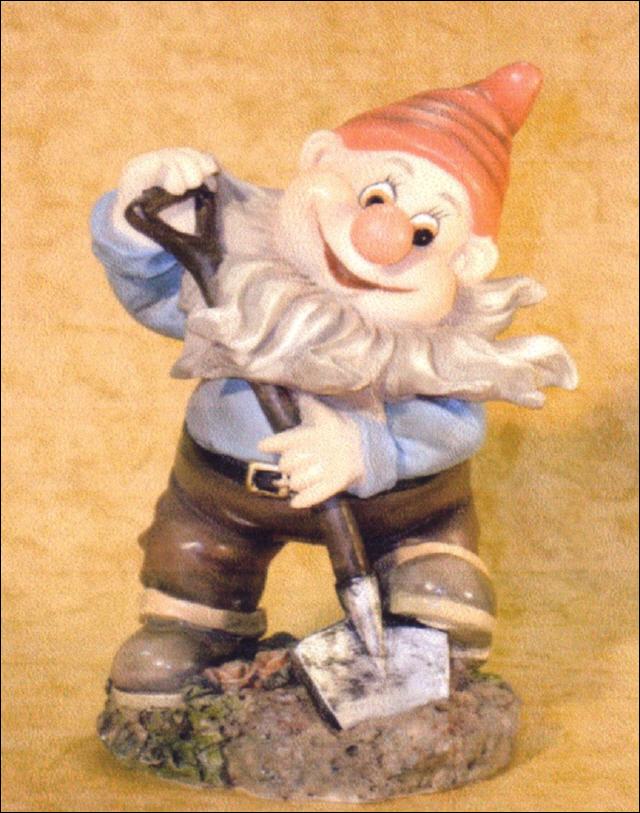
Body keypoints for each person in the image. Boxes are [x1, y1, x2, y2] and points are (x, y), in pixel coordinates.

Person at [91, 63, 576, 706]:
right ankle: (192, 633)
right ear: (319, 161)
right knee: (195, 561)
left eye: (425, 233)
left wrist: (363, 449)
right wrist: (138, 220)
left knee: (442, 589)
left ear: (468, 262)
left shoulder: (436, 351)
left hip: (401, 509)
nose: (383, 239)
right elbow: (159, 290)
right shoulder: (237, 279)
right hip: (222, 495)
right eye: (374, 198)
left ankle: (423, 643)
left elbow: (450, 428)